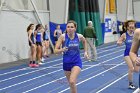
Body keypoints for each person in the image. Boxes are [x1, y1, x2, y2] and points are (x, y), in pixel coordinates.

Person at [54, 20, 89, 93]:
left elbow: (84, 41)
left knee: (72, 81)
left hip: (76, 62)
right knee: (71, 84)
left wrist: (85, 52)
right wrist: (62, 50)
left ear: (75, 28)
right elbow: (55, 50)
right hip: (66, 63)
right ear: (66, 28)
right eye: (68, 27)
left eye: (72, 27)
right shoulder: (62, 37)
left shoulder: (79, 36)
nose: (69, 28)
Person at [117, 20, 139, 89]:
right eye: (130, 25)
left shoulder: (136, 34)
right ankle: (130, 83)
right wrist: (119, 42)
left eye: (133, 26)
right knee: (131, 68)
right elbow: (119, 41)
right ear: (127, 27)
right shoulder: (124, 35)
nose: (132, 27)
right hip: (127, 54)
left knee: (137, 70)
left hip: (135, 54)